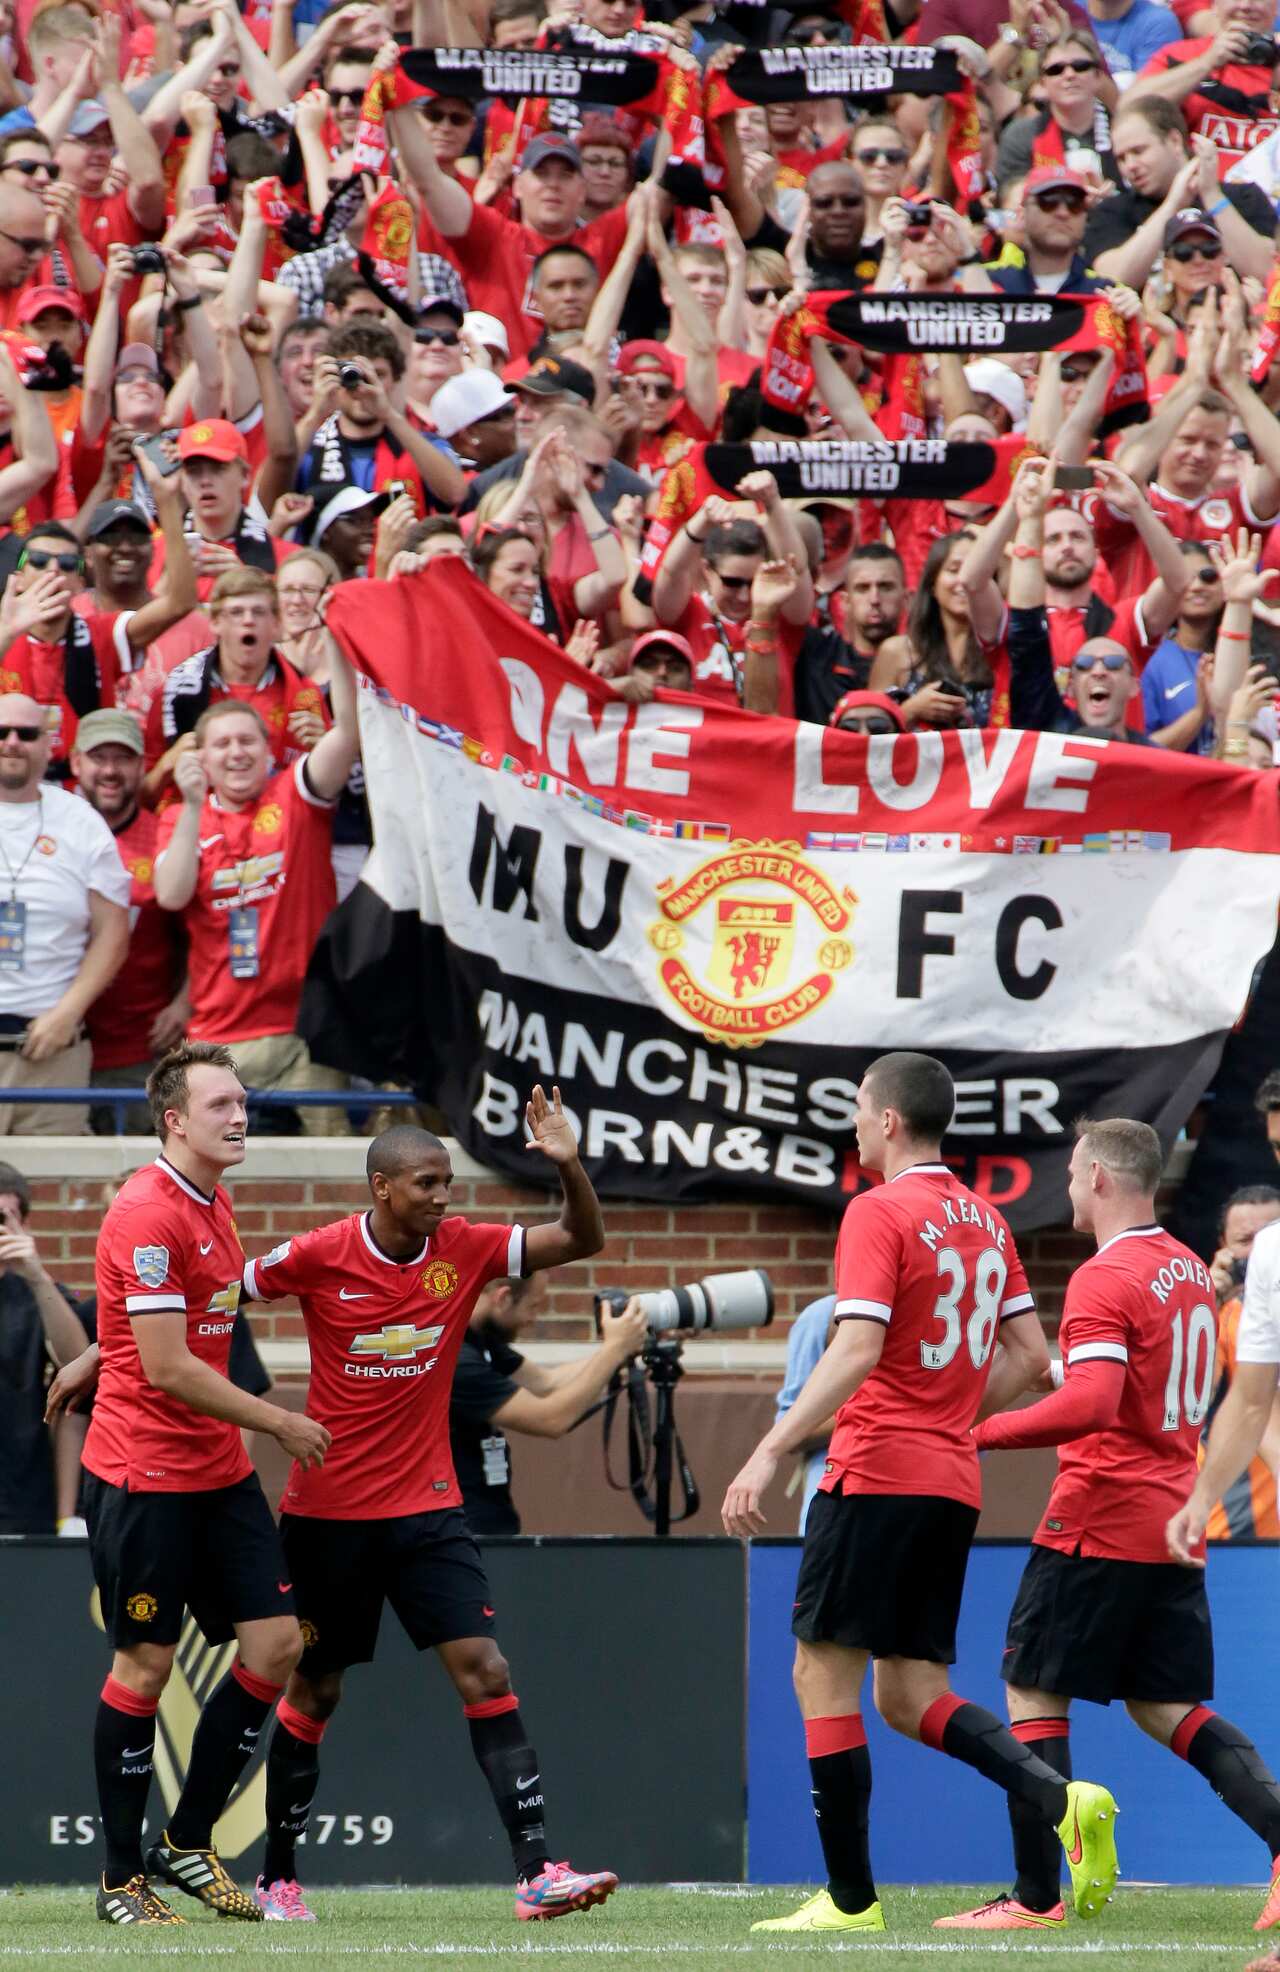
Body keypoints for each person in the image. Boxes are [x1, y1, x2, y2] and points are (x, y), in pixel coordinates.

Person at [722, 1051, 1118, 1936]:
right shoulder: (986, 1217)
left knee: (819, 1670)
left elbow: (856, 1348)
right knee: (908, 1694)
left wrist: (770, 1449)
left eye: (861, 1110)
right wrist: (947, 1416)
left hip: (874, 1474)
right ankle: (1061, 1797)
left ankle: (852, 1903)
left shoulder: (879, 1210)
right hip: (949, 1480)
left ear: (890, 1120)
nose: (857, 1126)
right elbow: (1030, 1358)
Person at [241, 1102, 623, 1923]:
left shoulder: (467, 1249)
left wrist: (567, 1163)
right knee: (315, 1692)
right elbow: (216, 1295)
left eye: (449, 1182)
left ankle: (535, 1873)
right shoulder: (316, 1254)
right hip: (328, 1518)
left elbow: (580, 1240)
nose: (444, 1197)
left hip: (429, 1514)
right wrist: (114, 1349)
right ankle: (277, 1878)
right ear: (381, 1188)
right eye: (427, 1183)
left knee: (486, 1671)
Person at [953, 1120, 1280, 1934]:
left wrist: (979, 1431)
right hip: (1174, 1511)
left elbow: (1097, 1403)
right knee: (1163, 1705)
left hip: (1100, 1510)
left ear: (1099, 1176)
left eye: (1071, 1173)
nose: (1067, 1187)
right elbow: (1135, 1382)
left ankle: (1038, 1895)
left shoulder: (1108, 1276)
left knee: (1031, 1684)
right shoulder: (1183, 1268)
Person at [81, 1041, 329, 1926]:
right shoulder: (147, 1212)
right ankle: (118, 1880)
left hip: (216, 1473)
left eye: (244, 1101)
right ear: (173, 1120)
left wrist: (91, 1351)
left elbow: (165, 1320)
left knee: (275, 1647)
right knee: (144, 1667)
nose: (241, 1115)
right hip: (146, 1478)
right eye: (221, 1104)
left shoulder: (214, 1199)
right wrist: (280, 1421)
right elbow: (169, 1365)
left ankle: (184, 1843)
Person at [151, 664, 359, 1132]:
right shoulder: (184, 818)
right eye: (222, 744)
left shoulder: (295, 793)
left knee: (331, 1162)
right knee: (206, 1165)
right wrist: (188, 803)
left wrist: (338, 643)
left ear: (269, 751)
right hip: (217, 1037)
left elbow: (348, 732)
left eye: (247, 741)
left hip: (303, 1033)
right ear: (201, 758)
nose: (236, 753)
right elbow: (171, 893)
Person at [0, 690, 128, 1133]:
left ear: (48, 745)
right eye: (2, 732)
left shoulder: (79, 819)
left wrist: (67, 1012)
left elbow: (113, 929)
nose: (12, 742)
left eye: (27, 733)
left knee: (57, 1191)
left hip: (52, 1054)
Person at [451, 1274, 648, 1536]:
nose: (533, 1319)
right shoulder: (457, 1359)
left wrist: (629, 1348)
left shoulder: (477, 1338)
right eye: (532, 1306)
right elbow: (551, 1419)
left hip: (488, 1516)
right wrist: (614, 1350)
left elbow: (547, 1382)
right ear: (503, 1298)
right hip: (461, 1528)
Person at [71, 709, 186, 1130]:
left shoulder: (164, 836)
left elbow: (202, 929)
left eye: (123, 759)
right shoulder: (50, 830)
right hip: (56, 1044)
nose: (110, 770)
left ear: (142, 766)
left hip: (139, 1049)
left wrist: (184, 1001)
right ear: (75, 762)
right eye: (98, 757)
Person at [0, 1152, 92, 1535]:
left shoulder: (38, 1294)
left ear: (21, 1224)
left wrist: (36, 1276)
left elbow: (79, 1365)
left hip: (21, 1496)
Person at [1205, 1185, 1280, 1542]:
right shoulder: (1220, 1316)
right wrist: (1208, 1304)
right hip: (1236, 1526)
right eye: (1246, 1240)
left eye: (1271, 1235)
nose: (1260, 1252)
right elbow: (1184, 1398)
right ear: (1223, 1245)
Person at [775, 1292, 837, 1533]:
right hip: (832, 1506)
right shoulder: (821, 1316)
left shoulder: (933, 1311)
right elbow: (788, 1430)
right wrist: (865, 1414)